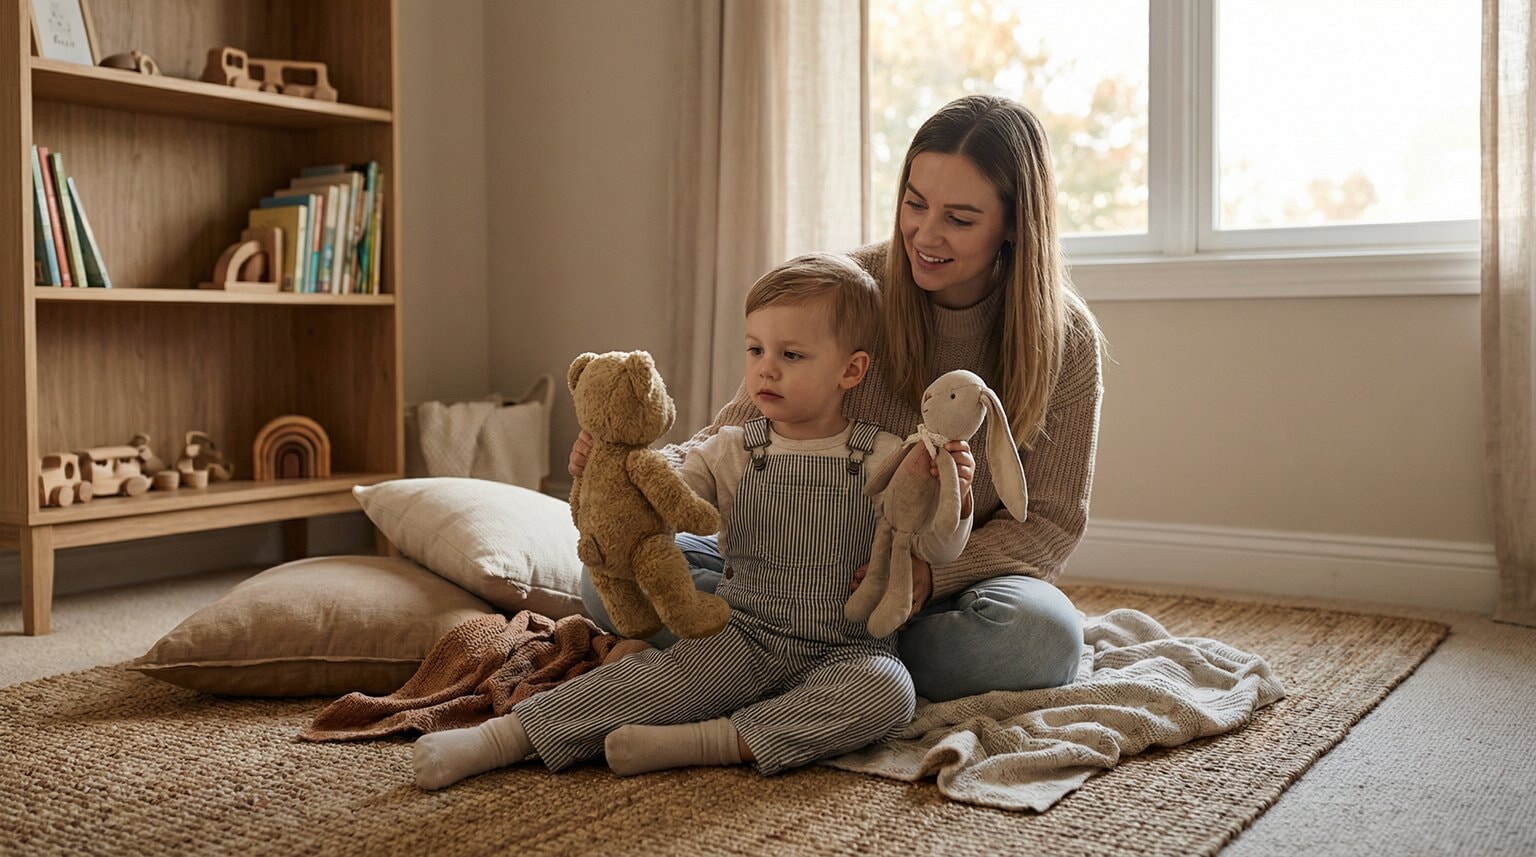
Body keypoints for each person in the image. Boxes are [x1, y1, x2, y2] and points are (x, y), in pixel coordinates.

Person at [573, 93, 1105, 703]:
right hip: (787, 573)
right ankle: (841, 675)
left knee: (1041, 639)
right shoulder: (848, 290)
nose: (925, 235)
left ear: (1013, 223)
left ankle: (773, 664)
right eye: (914, 204)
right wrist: (637, 475)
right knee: (608, 575)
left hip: (937, 585)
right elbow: (741, 431)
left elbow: (1050, 524)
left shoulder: (1064, 337)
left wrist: (929, 577)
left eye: (959, 219)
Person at [413, 253, 973, 790]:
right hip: (747, 633)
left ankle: (704, 741)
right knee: (657, 678)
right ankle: (499, 740)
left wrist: (956, 493)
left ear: (851, 370)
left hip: (851, 647)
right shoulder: (732, 450)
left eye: (792, 355)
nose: (766, 369)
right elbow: (664, 484)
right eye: (755, 350)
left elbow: (939, 546)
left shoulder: (888, 455)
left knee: (890, 694)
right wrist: (608, 463)